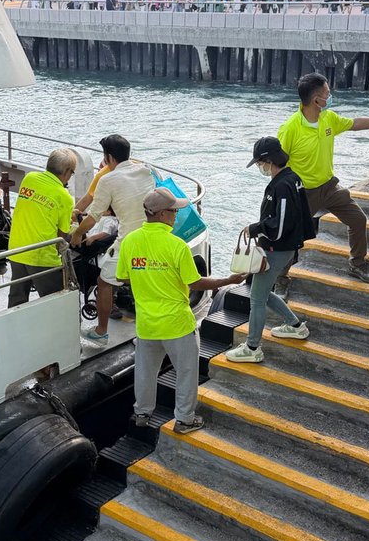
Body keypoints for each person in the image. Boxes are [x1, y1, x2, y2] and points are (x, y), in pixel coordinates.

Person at [117, 187, 246, 434]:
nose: (176, 215)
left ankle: (142, 413)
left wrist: (148, 277)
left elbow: (123, 277)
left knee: (145, 372)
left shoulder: (130, 241)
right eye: (174, 210)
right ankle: (185, 419)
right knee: (186, 372)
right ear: (163, 214)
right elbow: (195, 282)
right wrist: (228, 281)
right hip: (177, 324)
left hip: (147, 324)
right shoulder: (177, 246)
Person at [278, 73, 369, 282]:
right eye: (327, 94)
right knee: (292, 237)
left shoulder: (328, 118)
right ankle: (281, 279)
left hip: (330, 186)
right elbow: (279, 164)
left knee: (358, 220)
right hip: (304, 192)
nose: (330, 96)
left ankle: (357, 264)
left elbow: (355, 123)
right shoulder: (291, 128)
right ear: (316, 100)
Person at [225, 137, 315, 364]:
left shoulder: (281, 185)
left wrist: (256, 229)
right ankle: (295, 326)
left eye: (259, 163)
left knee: (256, 298)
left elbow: (281, 223)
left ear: (268, 160)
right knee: (262, 293)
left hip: (277, 248)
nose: (259, 167)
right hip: (284, 248)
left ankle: (253, 347)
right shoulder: (292, 178)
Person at [71, 134, 154, 343]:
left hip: (128, 242)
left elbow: (92, 218)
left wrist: (78, 233)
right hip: (152, 238)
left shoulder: (107, 179)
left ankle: (101, 332)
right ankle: (149, 331)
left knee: (104, 282)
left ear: (108, 158)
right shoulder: (146, 171)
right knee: (142, 283)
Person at [7, 148, 77, 307]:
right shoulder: (64, 196)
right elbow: (62, 236)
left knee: (17, 300)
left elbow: (38, 208)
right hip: (41, 256)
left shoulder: (29, 178)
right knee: (53, 302)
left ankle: (13, 330)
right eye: (72, 173)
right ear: (67, 172)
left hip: (17, 249)